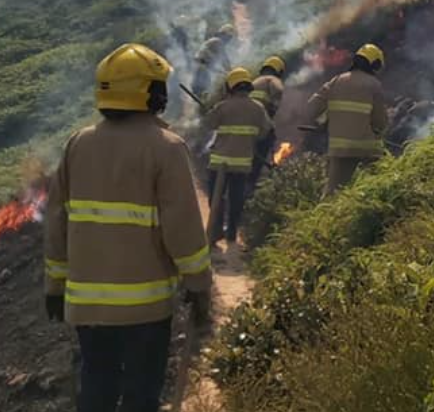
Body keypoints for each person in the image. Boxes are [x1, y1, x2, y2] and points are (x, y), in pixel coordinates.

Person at [44, 43, 212, 412]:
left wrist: (54, 286)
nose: (163, 94)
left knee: (97, 387)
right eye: (159, 85)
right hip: (145, 310)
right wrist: (199, 287)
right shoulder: (166, 148)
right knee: (140, 395)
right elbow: (183, 229)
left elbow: (57, 222)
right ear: (147, 92)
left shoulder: (78, 144)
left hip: (86, 307)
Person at [202, 67, 272, 248]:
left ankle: (216, 230)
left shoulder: (223, 106)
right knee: (237, 198)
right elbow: (265, 131)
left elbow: (209, 124)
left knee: (215, 198)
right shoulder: (258, 108)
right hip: (242, 163)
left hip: (219, 162)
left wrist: (210, 110)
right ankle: (232, 232)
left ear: (230, 86)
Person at [307, 44, 388, 198]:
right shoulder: (373, 85)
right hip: (368, 149)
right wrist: (379, 131)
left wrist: (323, 122)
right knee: (378, 188)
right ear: (375, 64)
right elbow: (380, 121)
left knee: (332, 193)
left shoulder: (336, 81)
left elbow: (312, 107)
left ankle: (322, 220)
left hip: (340, 148)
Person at [190, 24, 236, 97]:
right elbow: (224, 59)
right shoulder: (217, 41)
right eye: (229, 37)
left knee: (204, 89)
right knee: (204, 88)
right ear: (225, 35)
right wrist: (231, 72)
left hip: (202, 67)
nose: (229, 40)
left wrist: (223, 71)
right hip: (202, 68)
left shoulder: (215, 41)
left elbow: (215, 61)